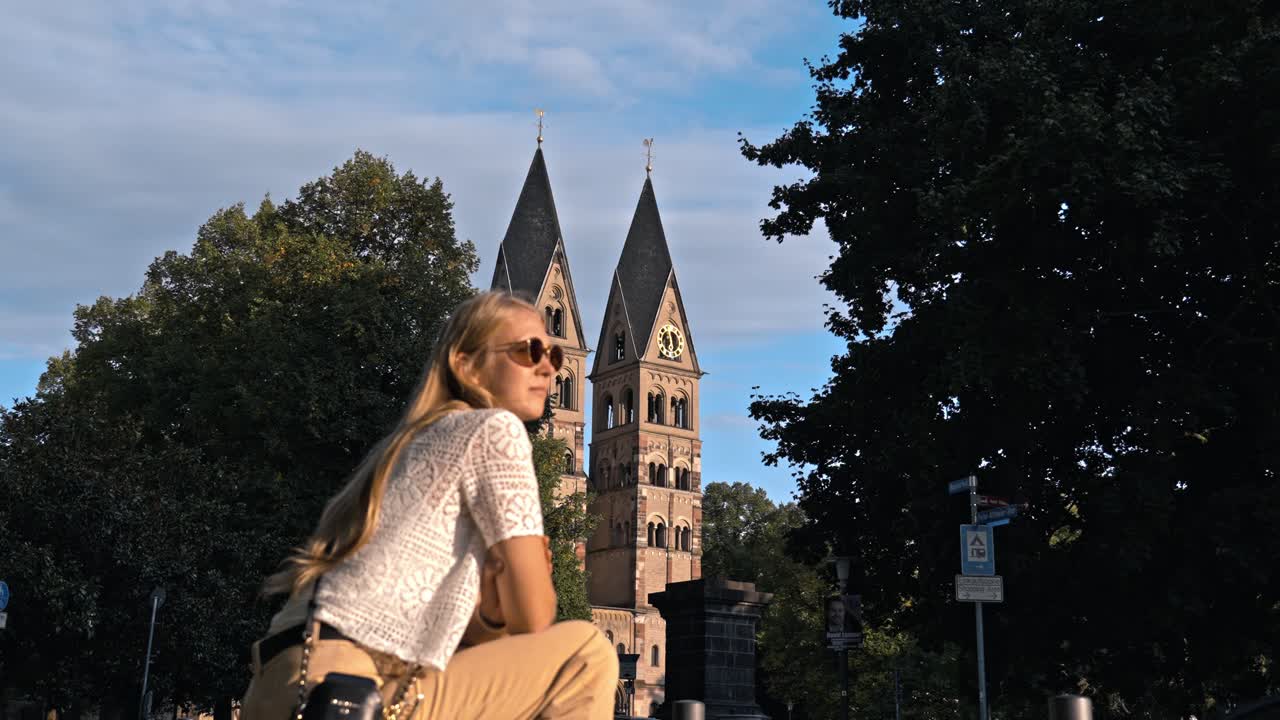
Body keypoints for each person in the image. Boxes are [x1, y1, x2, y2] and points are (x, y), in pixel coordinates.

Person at [241, 292, 618, 720]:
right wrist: (529, 581)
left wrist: (492, 612)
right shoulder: (494, 430)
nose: (548, 366)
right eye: (527, 350)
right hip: (355, 684)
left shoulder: (408, 444)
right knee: (586, 655)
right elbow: (534, 618)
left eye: (553, 352)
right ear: (466, 363)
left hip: (284, 684)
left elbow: (469, 641)